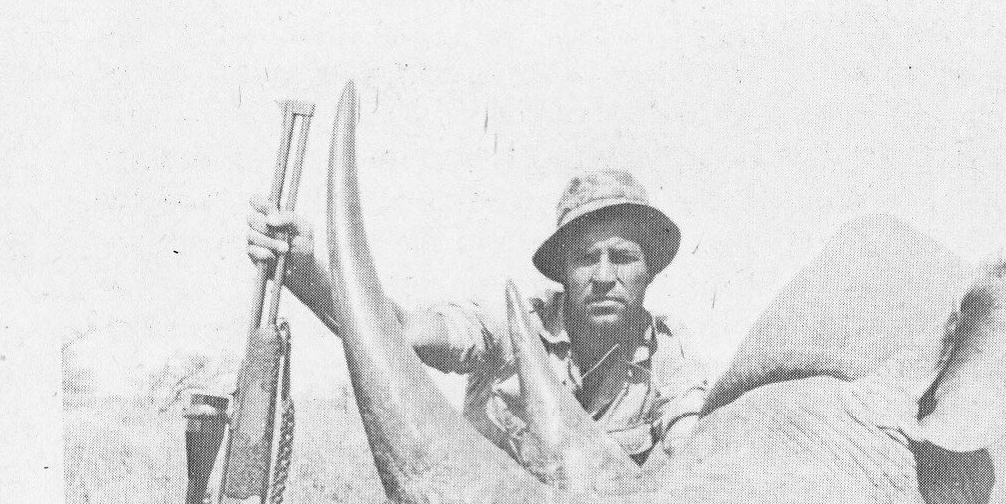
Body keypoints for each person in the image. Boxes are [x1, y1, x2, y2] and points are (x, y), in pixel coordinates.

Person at [247, 169, 707, 463]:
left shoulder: (670, 355)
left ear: (650, 270)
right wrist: (306, 269)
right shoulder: (511, 328)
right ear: (564, 271)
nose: (604, 276)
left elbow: (694, 446)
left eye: (622, 257)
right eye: (587, 259)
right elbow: (401, 333)